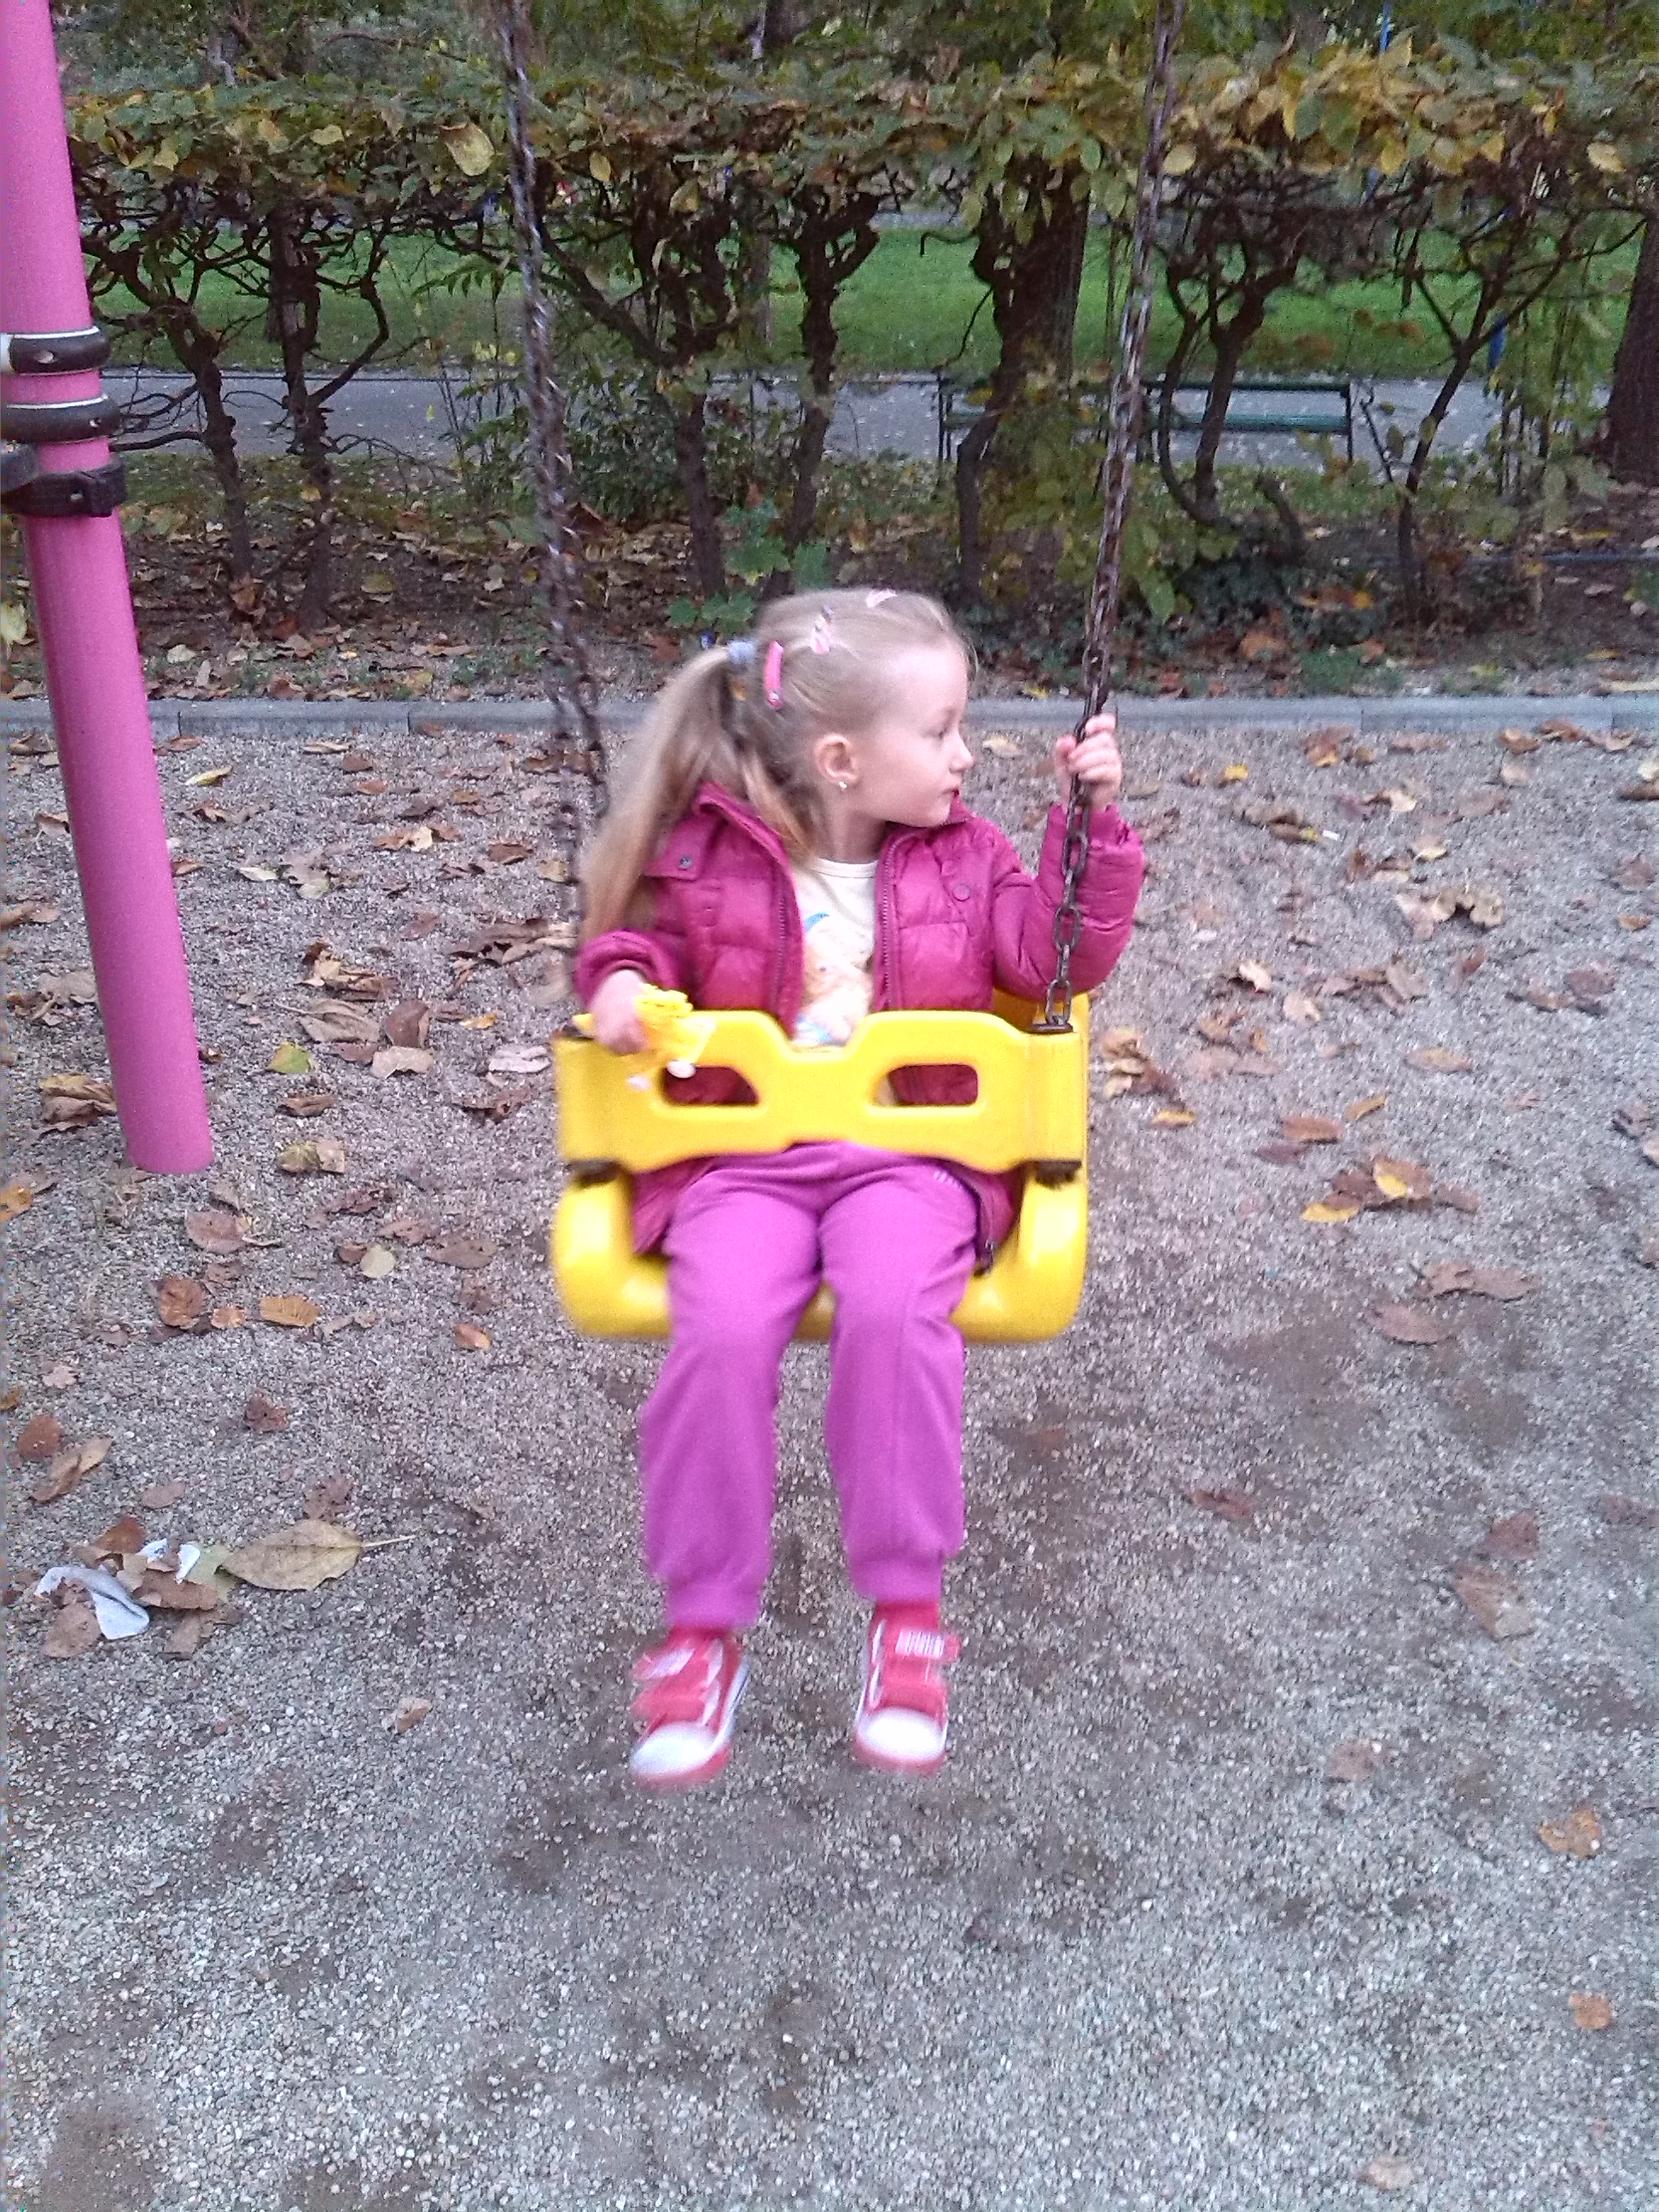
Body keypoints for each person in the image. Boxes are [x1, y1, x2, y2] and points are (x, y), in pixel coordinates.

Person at [574, 589, 1144, 1790]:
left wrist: (1089, 830)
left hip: (912, 1157)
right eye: (940, 731)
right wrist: (620, 984)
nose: (966, 753)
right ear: (841, 759)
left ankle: (905, 1615)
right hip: (745, 1163)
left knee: (891, 1309)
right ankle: (702, 1630)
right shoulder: (707, 855)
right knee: (721, 1326)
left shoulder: (972, 858)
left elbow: (1056, 960)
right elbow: (637, 941)